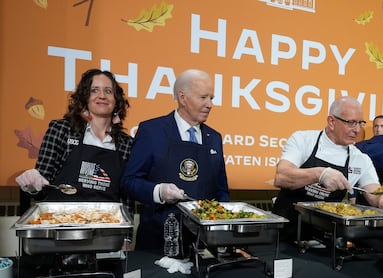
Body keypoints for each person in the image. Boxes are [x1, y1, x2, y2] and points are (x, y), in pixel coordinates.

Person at [272, 96, 383, 239]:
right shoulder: (303, 140)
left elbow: (378, 196)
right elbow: (282, 176)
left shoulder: (360, 159)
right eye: (351, 123)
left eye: (360, 123)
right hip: (285, 233)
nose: (357, 130)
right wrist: (320, 173)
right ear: (331, 122)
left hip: (325, 240)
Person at [121, 69, 229, 251]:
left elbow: (221, 191)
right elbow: (129, 182)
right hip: (158, 239)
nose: (210, 104)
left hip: (202, 244)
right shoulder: (152, 131)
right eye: (203, 97)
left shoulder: (214, 138)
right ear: (183, 97)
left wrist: (222, 229)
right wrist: (158, 191)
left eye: (212, 98)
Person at [16, 69, 132, 204]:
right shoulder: (61, 130)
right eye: (94, 90)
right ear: (84, 97)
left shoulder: (127, 144)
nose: (102, 96)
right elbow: (42, 188)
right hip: (62, 221)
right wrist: (32, 186)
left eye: (108, 91)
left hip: (110, 222)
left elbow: (127, 196)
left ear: (116, 100)